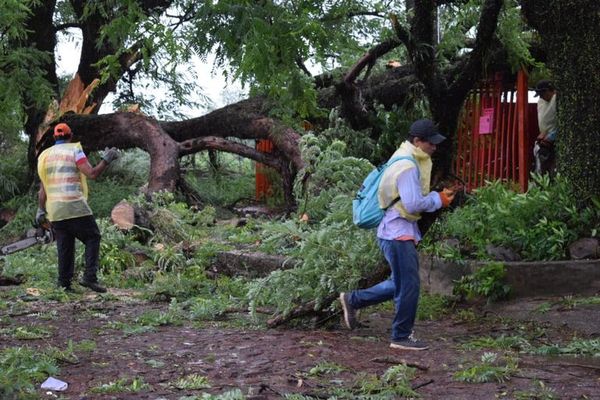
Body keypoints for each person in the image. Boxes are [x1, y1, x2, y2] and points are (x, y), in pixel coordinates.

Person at [340, 119, 455, 351]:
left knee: (400, 282)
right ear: (417, 141)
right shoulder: (408, 166)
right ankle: (401, 336)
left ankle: (353, 300)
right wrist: (438, 199)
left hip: (393, 230)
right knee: (409, 285)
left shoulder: (402, 157)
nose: (434, 147)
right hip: (397, 233)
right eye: (430, 143)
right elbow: (412, 204)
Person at [36, 123, 119, 293]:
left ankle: (64, 284)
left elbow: (43, 188)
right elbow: (92, 173)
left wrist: (40, 210)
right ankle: (90, 278)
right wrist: (106, 159)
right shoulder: (74, 150)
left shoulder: (45, 156)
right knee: (93, 237)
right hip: (74, 205)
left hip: (55, 209)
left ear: (54, 137)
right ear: (70, 135)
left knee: (65, 245)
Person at [532, 80, 557, 174]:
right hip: (543, 138)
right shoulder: (541, 102)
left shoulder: (556, 99)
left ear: (548, 90)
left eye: (542, 93)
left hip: (553, 139)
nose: (541, 97)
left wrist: (551, 136)